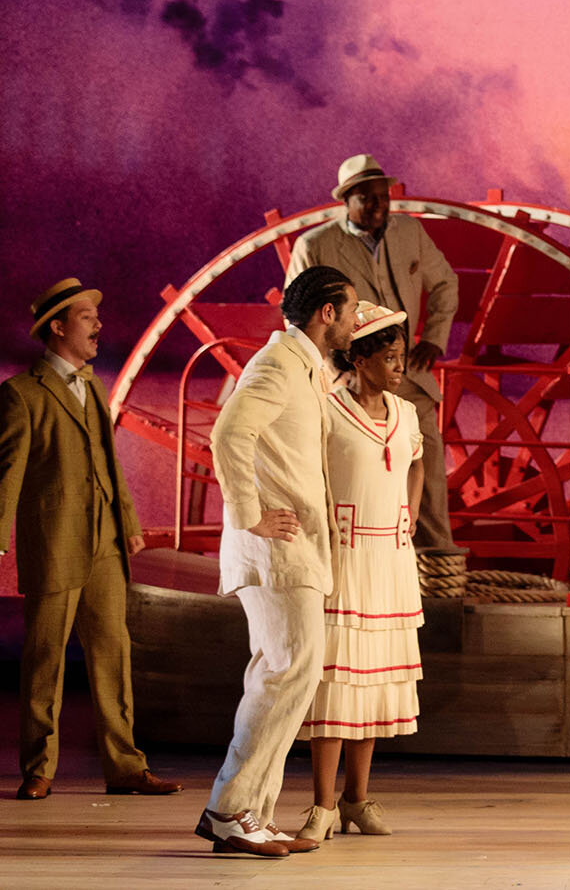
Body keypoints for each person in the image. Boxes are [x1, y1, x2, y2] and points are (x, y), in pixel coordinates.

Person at [197, 266, 358, 857]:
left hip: (292, 550)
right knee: (288, 674)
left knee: (283, 675)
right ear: (327, 314)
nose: (356, 318)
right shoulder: (276, 365)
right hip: (277, 550)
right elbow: (228, 434)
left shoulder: (301, 366)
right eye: (352, 307)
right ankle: (231, 812)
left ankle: (251, 816)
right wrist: (250, 514)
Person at [0, 279, 180, 802]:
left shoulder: (94, 386)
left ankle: (125, 766)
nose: (98, 325)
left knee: (112, 653)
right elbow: (6, 472)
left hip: (105, 542)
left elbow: (109, 462)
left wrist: (128, 523)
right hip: (54, 541)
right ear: (57, 327)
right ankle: (38, 767)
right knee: (44, 657)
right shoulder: (21, 394)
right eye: (86, 317)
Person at [295, 303, 427, 842]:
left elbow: (417, 461)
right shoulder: (326, 410)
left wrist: (411, 511)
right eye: (389, 357)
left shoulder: (406, 413)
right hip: (345, 559)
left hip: (391, 561)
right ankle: (322, 805)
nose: (399, 367)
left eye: (401, 357)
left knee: (372, 687)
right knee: (336, 685)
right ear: (359, 357)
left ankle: (357, 799)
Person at [287, 153, 460, 556]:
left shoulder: (410, 233)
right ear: (346, 201)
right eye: (367, 198)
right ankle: (347, 554)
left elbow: (446, 284)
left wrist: (434, 338)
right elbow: (295, 315)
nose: (379, 205)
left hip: (406, 375)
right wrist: (331, 368)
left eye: (383, 197)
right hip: (348, 379)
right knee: (354, 471)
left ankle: (436, 562)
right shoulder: (315, 245)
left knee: (427, 461)